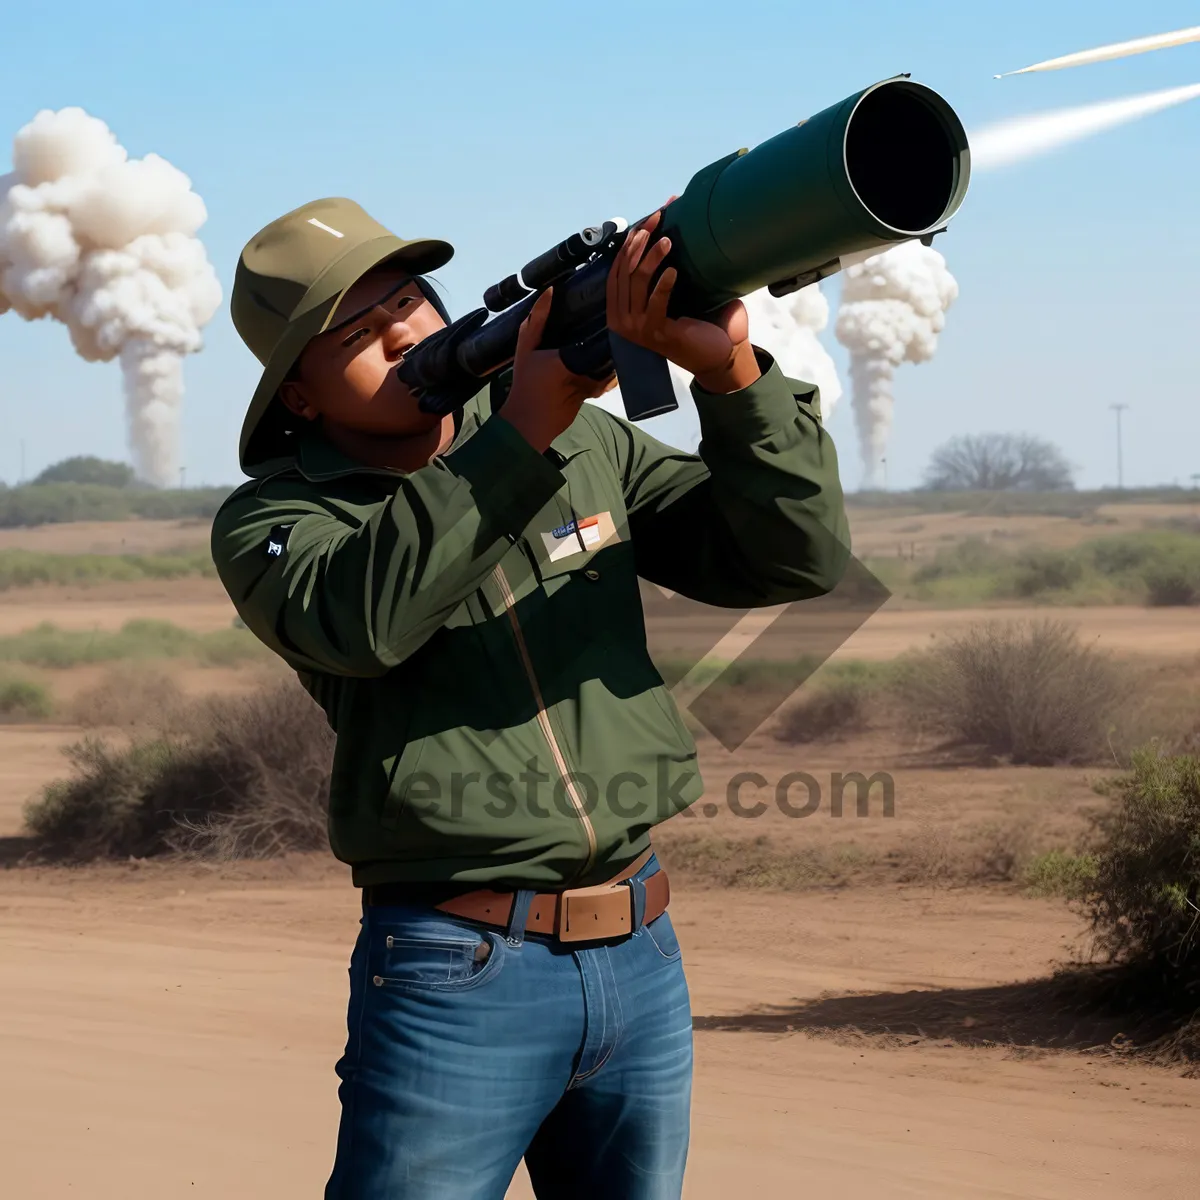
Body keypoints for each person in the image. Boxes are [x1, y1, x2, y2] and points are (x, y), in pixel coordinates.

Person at [212, 195, 850, 1200]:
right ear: (298, 396)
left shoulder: (584, 445)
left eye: (408, 302)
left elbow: (792, 558)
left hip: (640, 952)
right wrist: (521, 430)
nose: (402, 332)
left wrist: (733, 379)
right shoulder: (276, 522)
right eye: (355, 333)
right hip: (454, 968)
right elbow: (364, 621)